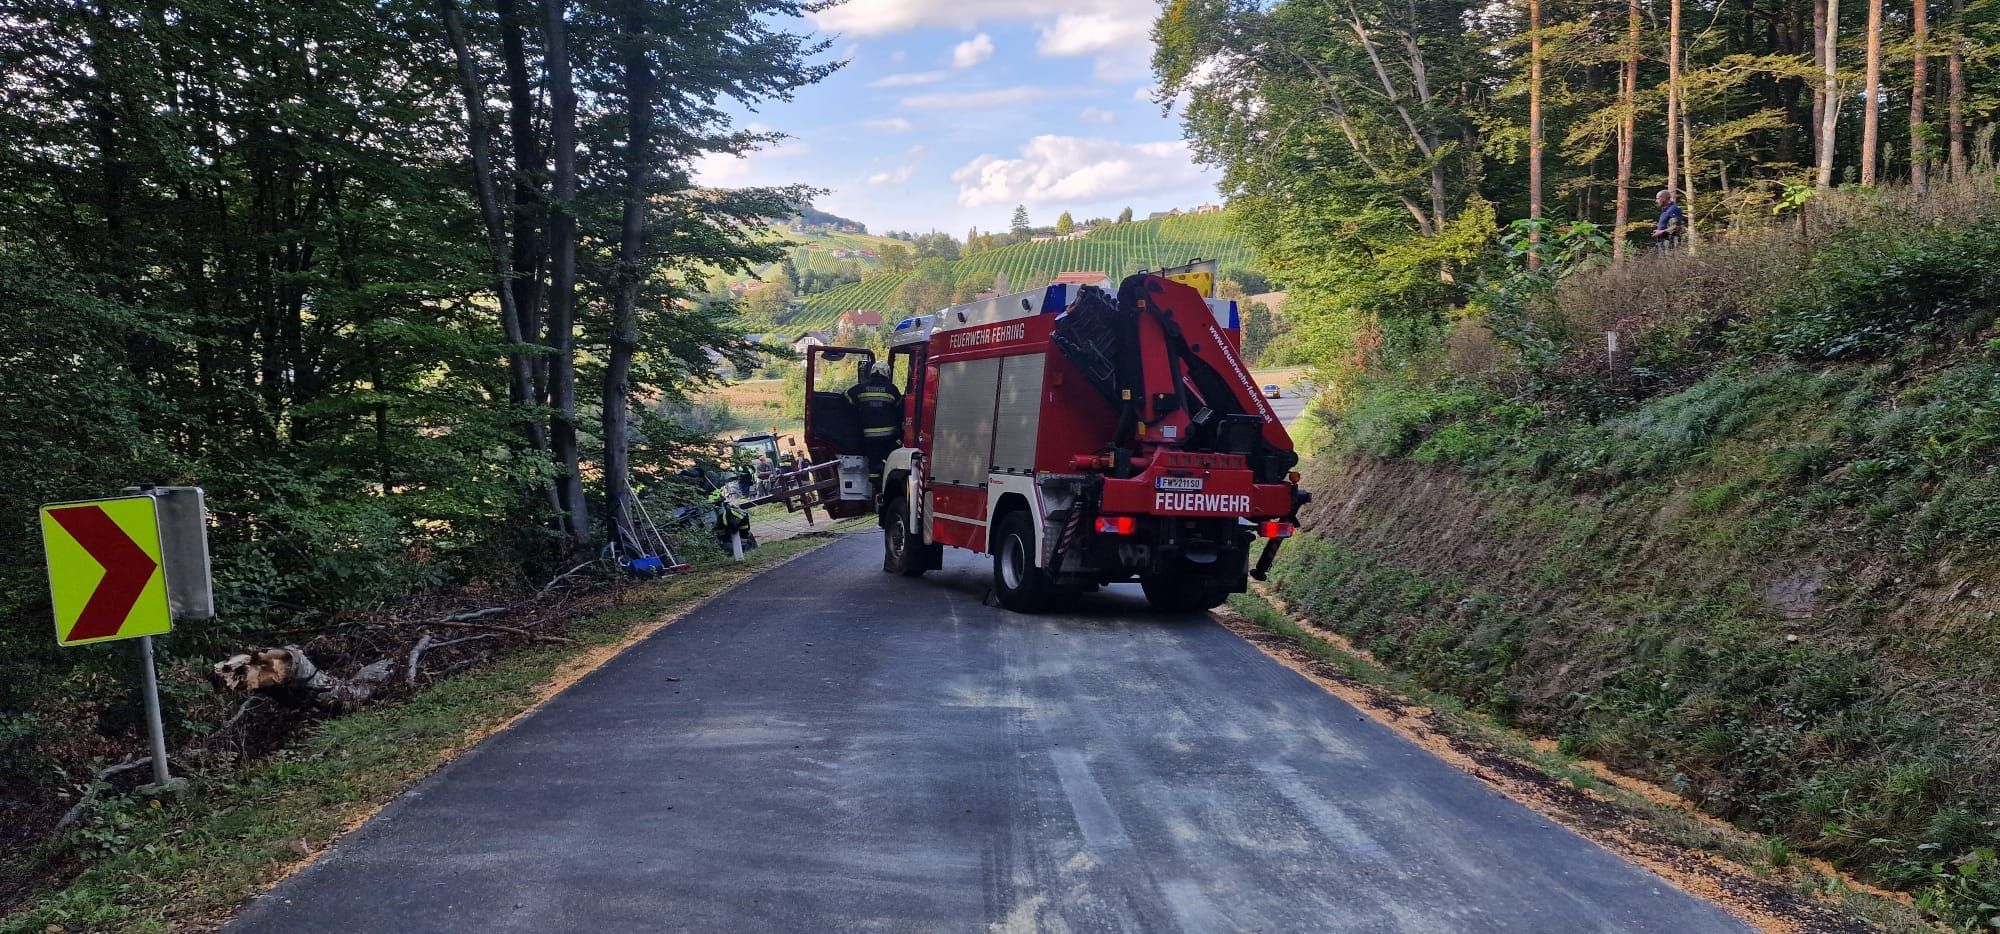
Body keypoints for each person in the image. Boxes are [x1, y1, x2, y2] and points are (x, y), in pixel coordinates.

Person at [845, 360, 903, 490]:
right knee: (893, 460)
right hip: (889, 437)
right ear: (886, 373)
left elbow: (846, 396)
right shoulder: (891, 389)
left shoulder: (861, 388)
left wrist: (857, 408)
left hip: (869, 437)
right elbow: (901, 409)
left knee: (873, 462)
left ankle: (875, 487)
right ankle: (888, 482)